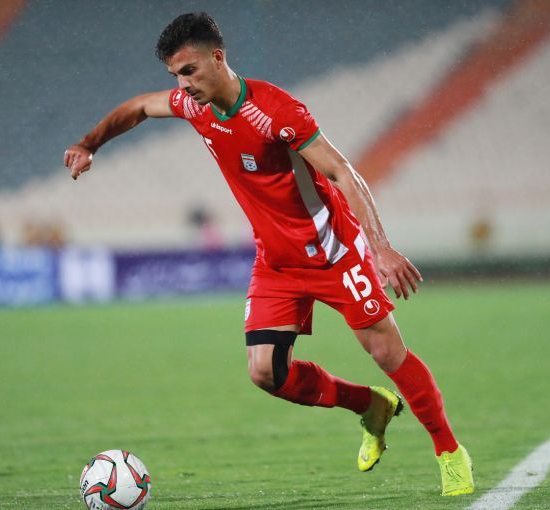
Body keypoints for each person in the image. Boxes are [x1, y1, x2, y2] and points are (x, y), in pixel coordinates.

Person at [64, 12, 474, 497]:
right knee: (265, 372)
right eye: (175, 75)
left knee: (386, 351)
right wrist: (89, 144)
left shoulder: (277, 111)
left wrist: (380, 247)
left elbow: (342, 172)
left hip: (334, 252)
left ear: (218, 58)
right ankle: (370, 406)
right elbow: (138, 107)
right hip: (277, 262)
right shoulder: (193, 106)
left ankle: (449, 452)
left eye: (189, 70)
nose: (183, 84)